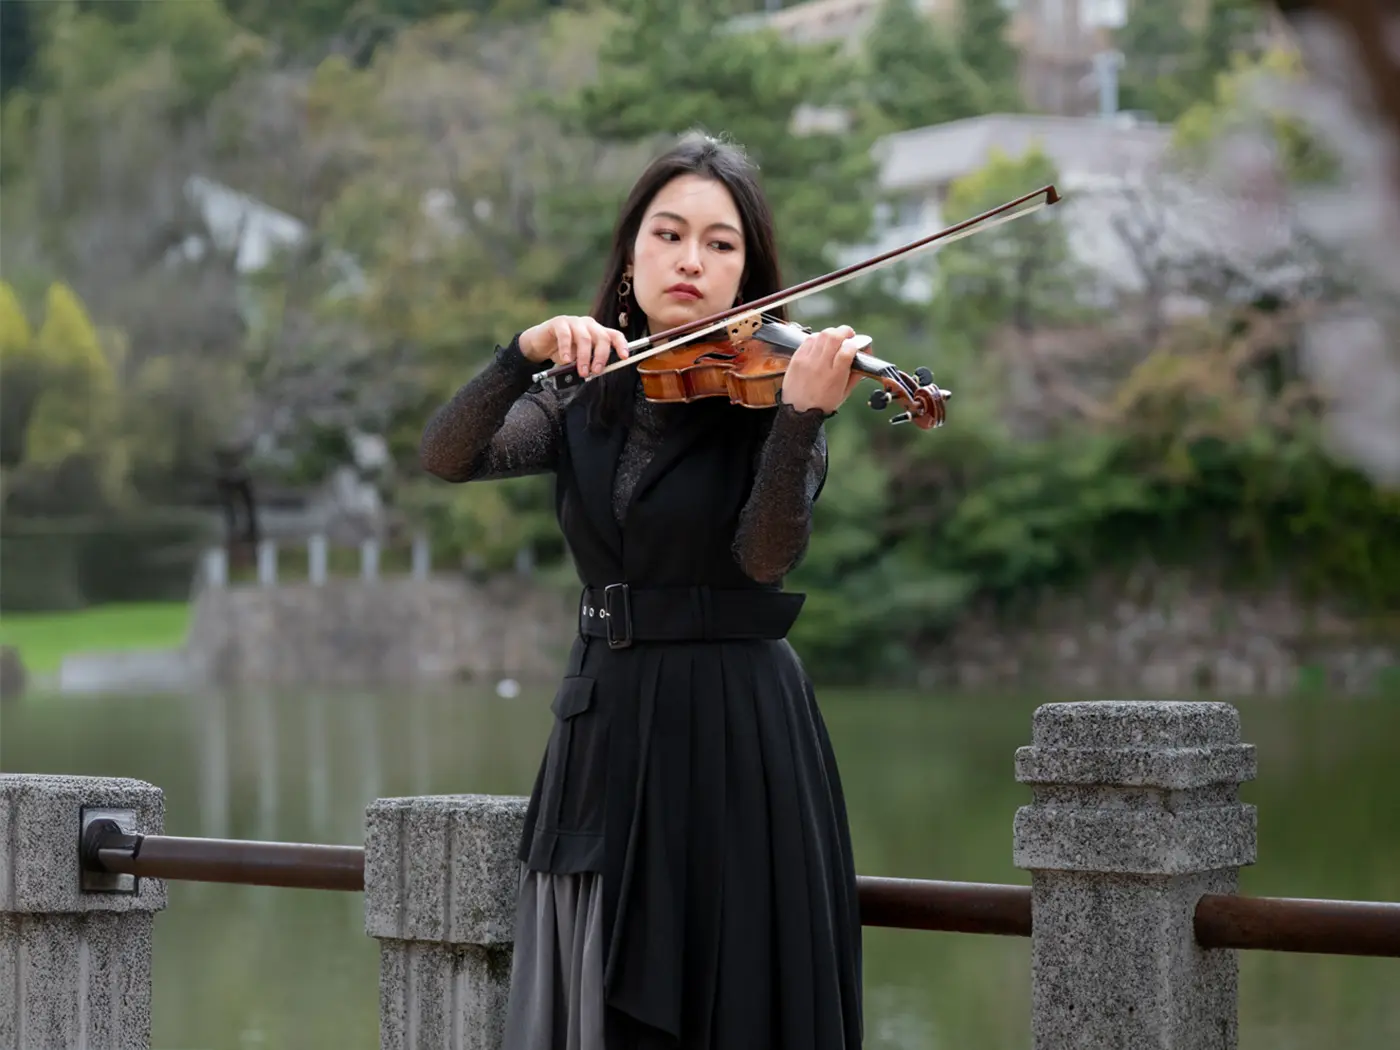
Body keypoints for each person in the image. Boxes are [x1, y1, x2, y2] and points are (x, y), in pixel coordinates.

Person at [419, 131, 866, 1050]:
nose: (691, 261)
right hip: (604, 723)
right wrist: (521, 351)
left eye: (720, 243)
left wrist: (800, 423)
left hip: (736, 729)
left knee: (732, 992)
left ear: (749, 271)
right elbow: (449, 455)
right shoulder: (584, 392)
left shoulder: (781, 395)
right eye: (668, 235)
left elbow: (764, 559)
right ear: (632, 255)